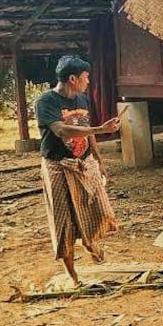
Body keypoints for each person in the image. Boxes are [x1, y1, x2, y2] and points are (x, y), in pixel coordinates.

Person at [35, 55, 121, 286]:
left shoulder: (82, 99)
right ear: (72, 78)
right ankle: (73, 276)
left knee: (99, 209)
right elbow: (62, 130)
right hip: (58, 166)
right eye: (85, 77)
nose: (88, 80)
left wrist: (99, 160)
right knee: (64, 222)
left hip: (84, 162)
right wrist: (100, 128)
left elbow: (86, 131)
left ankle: (91, 242)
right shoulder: (46, 102)